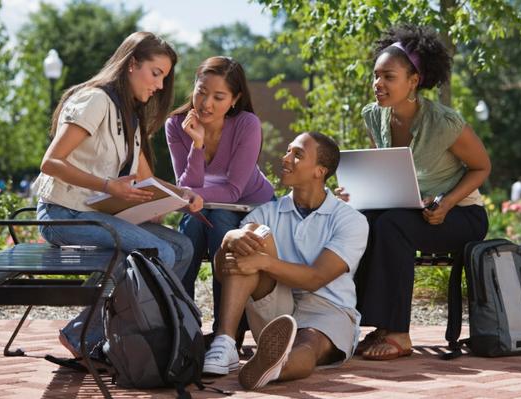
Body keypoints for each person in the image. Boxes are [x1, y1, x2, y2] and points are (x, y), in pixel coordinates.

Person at [31, 32, 202, 357]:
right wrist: (108, 186)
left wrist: (181, 195)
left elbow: (145, 179)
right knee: (159, 254)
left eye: (164, 77)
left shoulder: (130, 114)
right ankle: (86, 336)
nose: (161, 85)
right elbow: (51, 162)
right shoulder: (95, 100)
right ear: (132, 64)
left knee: (182, 247)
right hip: (62, 215)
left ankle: (128, 333)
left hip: (96, 215)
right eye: (156, 73)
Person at [337, 24, 491, 361]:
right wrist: (356, 192)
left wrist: (447, 202)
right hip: (411, 211)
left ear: (414, 81)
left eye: (388, 77)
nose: (378, 84)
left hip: (461, 215)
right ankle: (374, 324)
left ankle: (399, 335)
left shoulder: (445, 122)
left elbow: (482, 167)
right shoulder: (374, 117)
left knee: (391, 226)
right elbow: (386, 170)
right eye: (376, 76)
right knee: (362, 221)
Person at [201, 132, 369, 389]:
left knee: (309, 343)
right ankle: (225, 342)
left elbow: (315, 278)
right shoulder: (266, 213)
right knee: (251, 236)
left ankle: (276, 366)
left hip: (328, 307)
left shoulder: (350, 220)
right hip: (278, 302)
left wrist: (263, 262)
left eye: (297, 154)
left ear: (319, 171)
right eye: (288, 151)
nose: (286, 158)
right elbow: (226, 273)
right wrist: (229, 240)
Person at [165, 56, 274, 334]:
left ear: (235, 99)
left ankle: (227, 331)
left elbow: (233, 191)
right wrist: (197, 144)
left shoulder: (247, 124)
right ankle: (183, 326)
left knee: (222, 227)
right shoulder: (177, 125)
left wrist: (190, 195)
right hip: (206, 205)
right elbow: (187, 185)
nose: (206, 103)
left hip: (250, 204)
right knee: (190, 228)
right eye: (201, 92)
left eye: (218, 96)